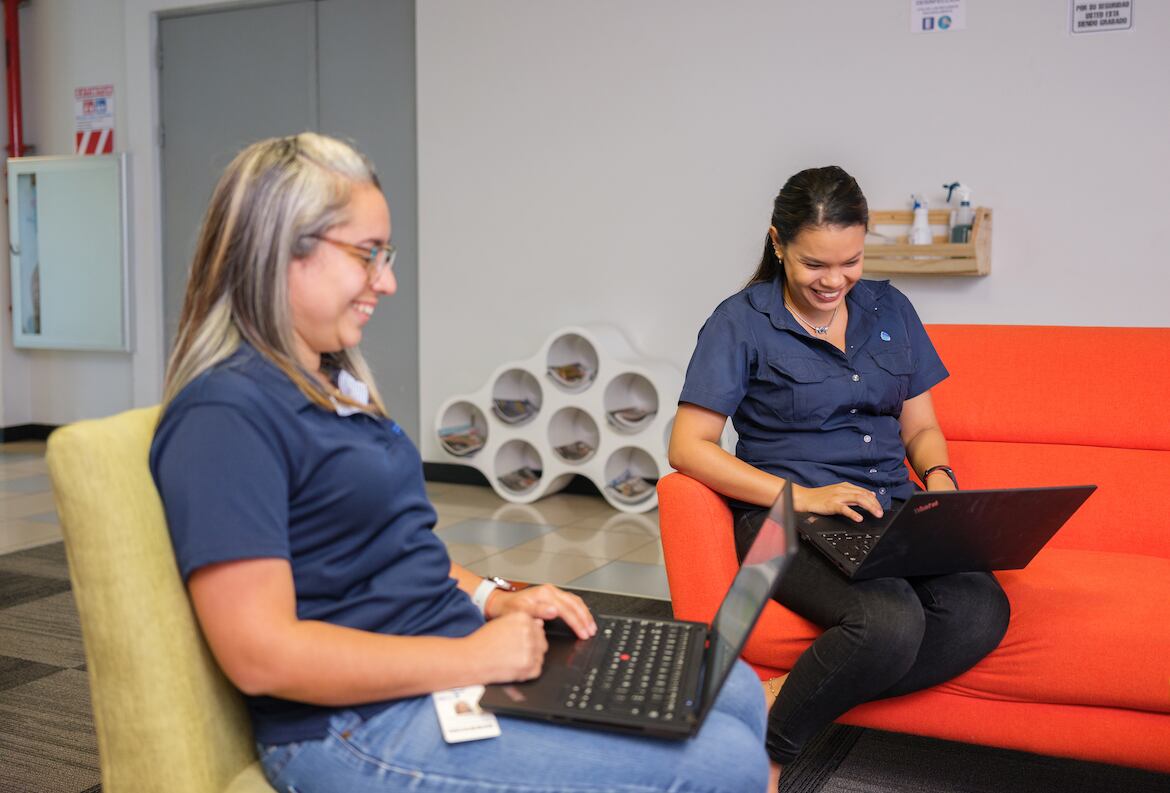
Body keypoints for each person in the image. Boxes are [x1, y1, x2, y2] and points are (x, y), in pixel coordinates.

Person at [149, 133, 771, 793]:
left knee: (730, 687)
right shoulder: (225, 414)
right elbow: (259, 656)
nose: (386, 281)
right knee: (727, 761)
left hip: (439, 661)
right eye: (366, 254)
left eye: (385, 256)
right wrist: (470, 659)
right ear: (280, 249)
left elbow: (391, 545)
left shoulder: (332, 384)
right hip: (356, 727)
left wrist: (493, 599)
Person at [668, 166, 1010, 771]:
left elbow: (921, 428)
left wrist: (940, 481)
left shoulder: (890, 308)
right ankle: (766, 755)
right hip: (783, 520)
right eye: (814, 264)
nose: (834, 280)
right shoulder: (739, 322)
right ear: (778, 244)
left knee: (980, 611)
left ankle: (778, 698)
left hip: (892, 510)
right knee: (888, 623)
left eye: (849, 261)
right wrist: (805, 497)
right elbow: (688, 447)